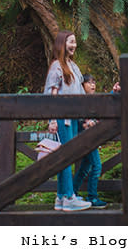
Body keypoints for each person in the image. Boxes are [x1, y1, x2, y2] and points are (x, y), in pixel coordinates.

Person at [44, 30, 92, 212]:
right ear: (62, 43)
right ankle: (69, 197)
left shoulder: (73, 66)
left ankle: (61, 197)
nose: (74, 45)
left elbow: (79, 92)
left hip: (73, 118)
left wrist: (86, 116)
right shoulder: (57, 66)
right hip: (62, 118)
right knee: (66, 157)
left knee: (68, 157)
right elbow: (52, 94)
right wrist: (52, 119)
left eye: (75, 42)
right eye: (71, 42)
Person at [72, 74, 107, 209]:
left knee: (85, 167)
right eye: (89, 83)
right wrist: (85, 122)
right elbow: (76, 115)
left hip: (90, 137)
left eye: (94, 82)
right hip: (85, 138)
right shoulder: (80, 99)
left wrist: (113, 92)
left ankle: (73, 193)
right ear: (82, 85)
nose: (92, 85)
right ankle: (92, 196)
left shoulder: (92, 99)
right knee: (97, 166)